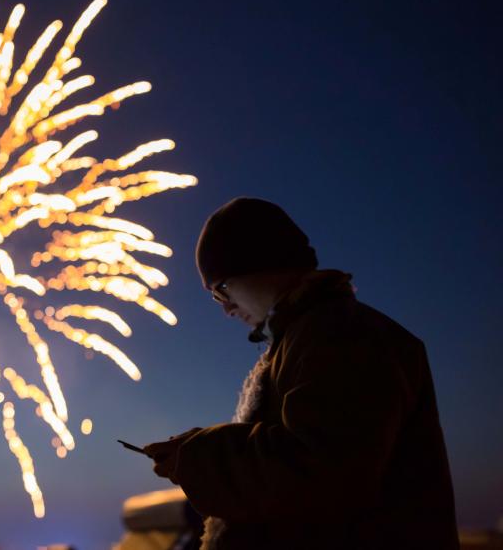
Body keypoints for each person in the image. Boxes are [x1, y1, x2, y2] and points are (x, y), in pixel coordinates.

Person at [144, 197, 458, 549]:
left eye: (221, 289)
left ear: (260, 261)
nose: (226, 308)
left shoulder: (341, 336)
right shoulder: (310, 337)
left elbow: (322, 472)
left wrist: (201, 454)